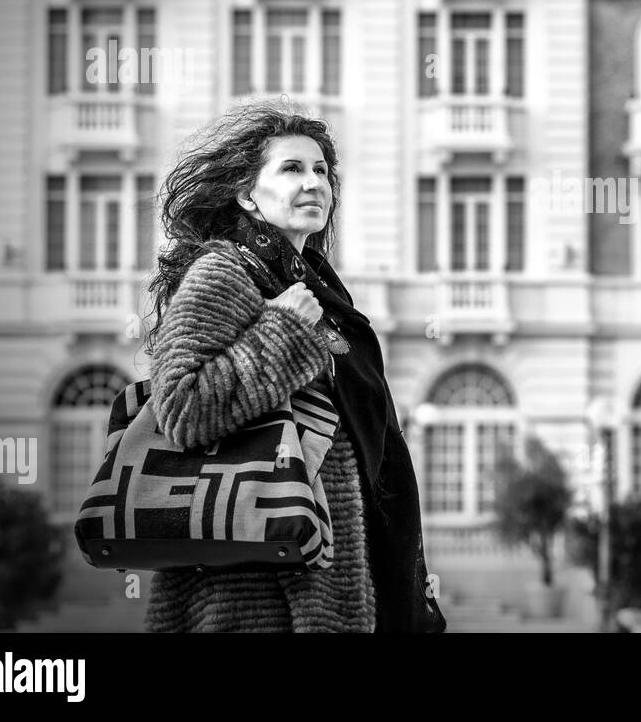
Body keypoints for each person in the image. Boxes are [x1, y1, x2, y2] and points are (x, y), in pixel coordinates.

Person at [140, 100, 445, 633]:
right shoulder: (224, 273)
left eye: (322, 170)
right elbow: (180, 409)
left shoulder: (320, 291)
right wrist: (282, 332)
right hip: (254, 595)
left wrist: (400, 566)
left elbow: (369, 448)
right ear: (247, 196)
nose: (314, 183)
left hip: (334, 575)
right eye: (292, 169)